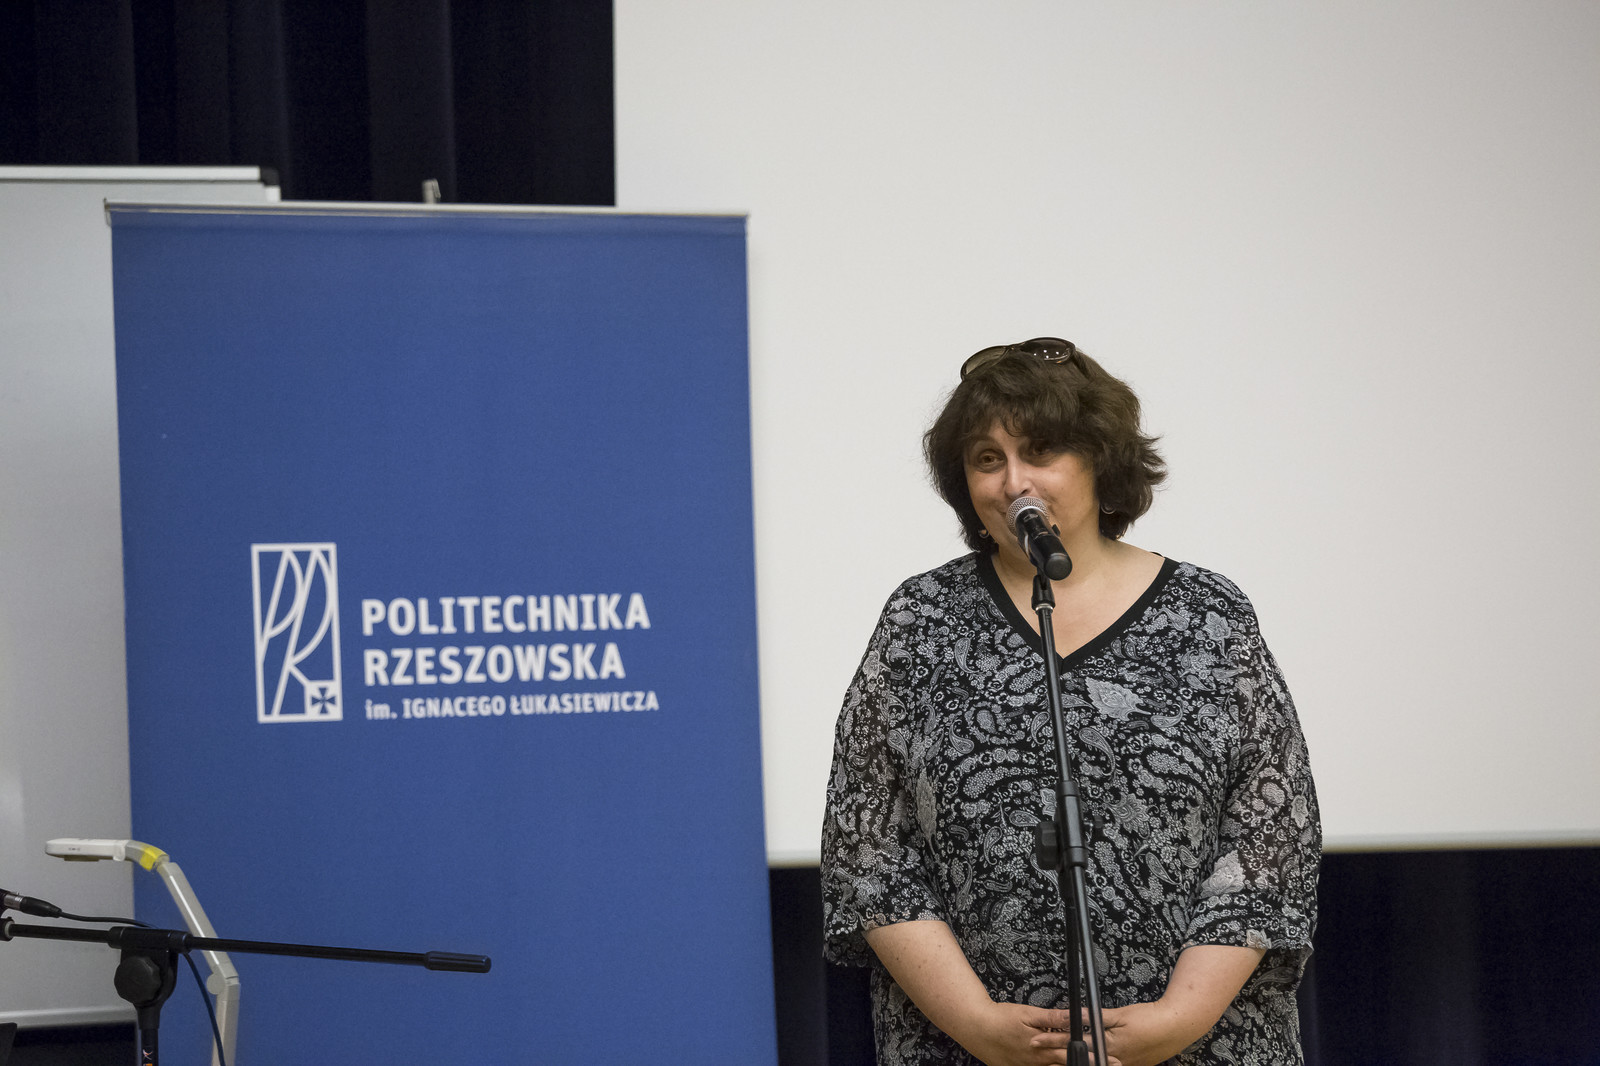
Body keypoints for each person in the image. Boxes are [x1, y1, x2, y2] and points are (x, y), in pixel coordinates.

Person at [821, 339, 1320, 1066]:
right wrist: (978, 1024)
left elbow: (1270, 835)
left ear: (1100, 461)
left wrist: (1178, 1019)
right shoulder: (921, 620)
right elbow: (868, 849)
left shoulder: (1210, 615)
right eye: (986, 459)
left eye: (1041, 451)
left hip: (1200, 1045)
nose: (1012, 482)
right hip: (970, 1048)